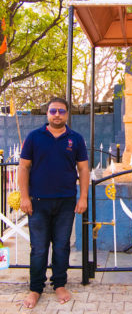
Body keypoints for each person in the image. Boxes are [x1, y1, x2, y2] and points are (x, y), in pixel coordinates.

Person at [18, 98, 89, 308]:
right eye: (53, 111)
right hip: (38, 202)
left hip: (66, 202)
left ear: (67, 114)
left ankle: (59, 284)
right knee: (38, 248)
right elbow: (23, 168)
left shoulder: (75, 139)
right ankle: (35, 289)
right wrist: (24, 197)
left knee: (61, 246)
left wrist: (82, 197)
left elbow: (84, 170)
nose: (57, 114)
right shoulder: (34, 137)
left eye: (61, 111)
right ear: (47, 114)